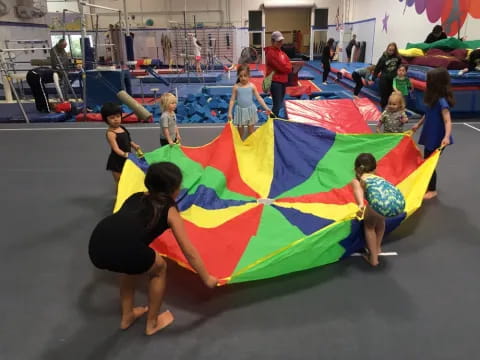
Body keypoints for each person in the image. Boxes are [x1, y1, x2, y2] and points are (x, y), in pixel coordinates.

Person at [89, 162, 218, 335]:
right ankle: (152, 323)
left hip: (97, 242)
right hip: (123, 246)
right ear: (174, 190)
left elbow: (125, 225)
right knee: (159, 268)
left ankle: (127, 315)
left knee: (128, 265)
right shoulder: (170, 211)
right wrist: (207, 278)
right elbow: (189, 250)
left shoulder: (135, 196)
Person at [351, 153, 405, 266]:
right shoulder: (379, 178)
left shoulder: (358, 180)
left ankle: (373, 259)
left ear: (356, 168)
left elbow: (359, 196)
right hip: (399, 204)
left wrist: (361, 206)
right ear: (375, 168)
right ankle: (378, 247)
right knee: (380, 220)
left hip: (381, 205)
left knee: (369, 226)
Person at [411, 68, 454, 200]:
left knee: (431, 164)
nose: (426, 83)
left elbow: (447, 121)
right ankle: (428, 185)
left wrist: (446, 137)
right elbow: (427, 114)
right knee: (427, 162)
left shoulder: (442, 102)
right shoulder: (433, 100)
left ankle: (432, 190)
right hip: (430, 135)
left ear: (436, 84)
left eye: (428, 81)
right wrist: (418, 124)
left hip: (438, 138)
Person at [227, 64, 271, 138]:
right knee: (240, 133)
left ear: (249, 75)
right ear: (238, 76)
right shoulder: (236, 87)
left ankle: (251, 146)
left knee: (251, 131)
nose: (243, 78)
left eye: (245, 76)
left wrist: (266, 108)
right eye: (241, 76)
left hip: (250, 110)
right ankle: (241, 146)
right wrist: (229, 112)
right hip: (240, 111)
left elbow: (259, 98)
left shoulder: (252, 86)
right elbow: (232, 100)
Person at [103, 102, 141, 184]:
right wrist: (125, 154)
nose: (116, 119)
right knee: (120, 182)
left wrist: (134, 145)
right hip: (117, 161)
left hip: (127, 158)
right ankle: (119, 196)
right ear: (106, 120)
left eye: (118, 116)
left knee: (128, 179)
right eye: (112, 118)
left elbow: (128, 140)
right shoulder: (111, 133)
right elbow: (115, 148)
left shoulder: (122, 128)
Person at [264, 31, 292, 117]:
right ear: (272, 41)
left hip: (282, 81)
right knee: (277, 105)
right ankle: (272, 122)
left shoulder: (281, 53)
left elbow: (288, 65)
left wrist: (287, 67)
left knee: (279, 104)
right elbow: (282, 67)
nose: (280, 43)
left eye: (281, 41)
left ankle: (273, 121)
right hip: (275, 82)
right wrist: (287, 67)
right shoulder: (270, 53)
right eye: (278, 41)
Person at [373, 42, 402, 109]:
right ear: (387, 49)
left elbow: (399, 65)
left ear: (395, 50)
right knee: (384, 96)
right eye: (390, 50)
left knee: (392, 96)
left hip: (393, 79)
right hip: (384, 79)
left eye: (393, 50)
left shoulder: (398, 57)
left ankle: (390, 111)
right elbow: (378, 67)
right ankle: (383, 111)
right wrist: (374, 75)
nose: (391, 52)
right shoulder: (383, 58)